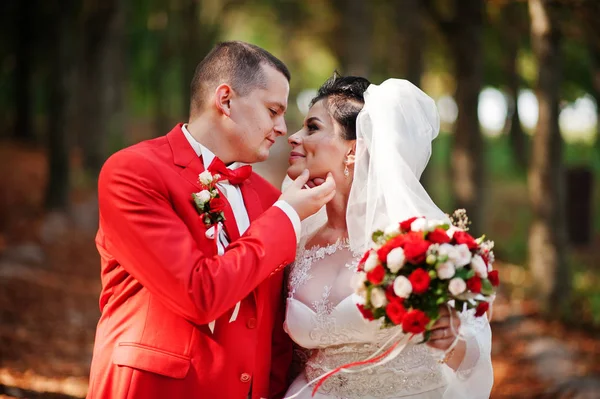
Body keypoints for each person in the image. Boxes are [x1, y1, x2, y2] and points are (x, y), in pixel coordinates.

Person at [87, 41, 336, 399]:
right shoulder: (133, 172)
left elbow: (272, 326)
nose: (283, 128)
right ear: (225, 100)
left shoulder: (270, 199)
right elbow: (197, 293)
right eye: (273, 110)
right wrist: (288, 215)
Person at [283, 75, 493, 399]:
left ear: (353, 150)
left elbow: (474, 359)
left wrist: (451, 340)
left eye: (312, 127)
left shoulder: (419, 243)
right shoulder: (294, 239)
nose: (293, 137)